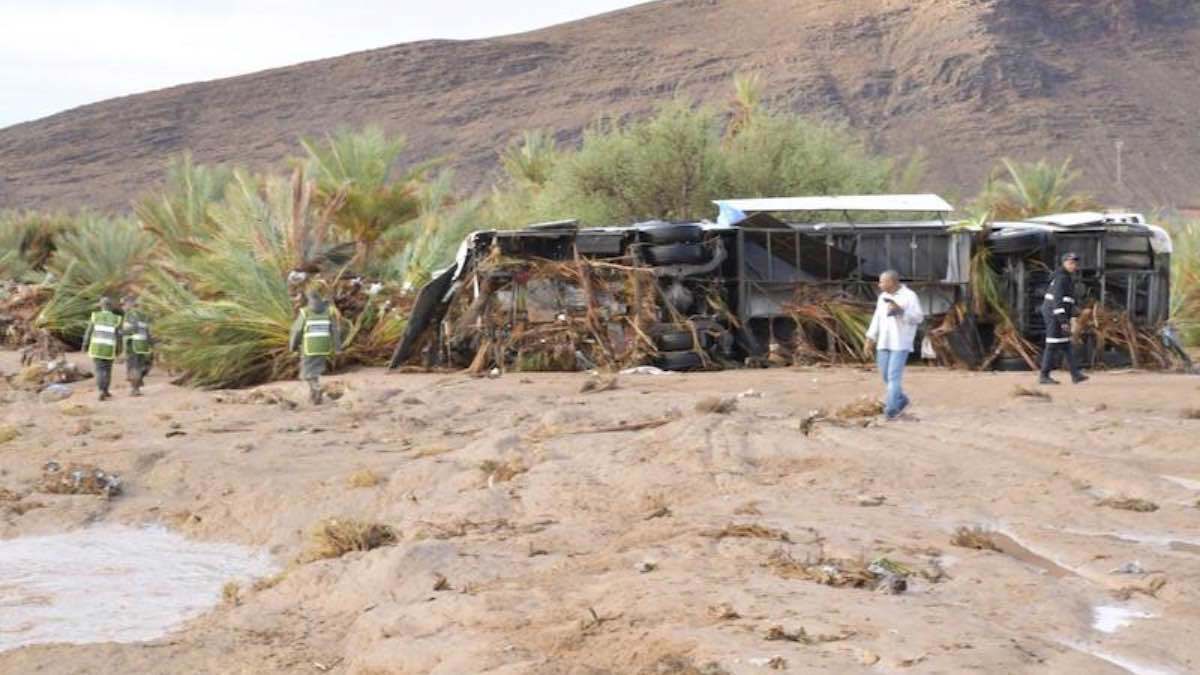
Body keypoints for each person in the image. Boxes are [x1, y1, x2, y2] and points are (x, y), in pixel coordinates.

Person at [865, 270, 925, 420]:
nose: (879, 285)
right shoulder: (883, 297)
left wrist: (901, 311)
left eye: (882, 282)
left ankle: (891, 410)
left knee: (893, 377)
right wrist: (870, 338)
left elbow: (918, 318)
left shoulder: (909, 296)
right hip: (884, 341)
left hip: (900, 342)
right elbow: (877, 319)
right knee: (886, 376)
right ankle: (902, 400)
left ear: (892, 282)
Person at [1039, 252, 1089, 385]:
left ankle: (1075, 374)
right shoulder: (1062, 278)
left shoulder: (1066, 277)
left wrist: (1072, 315)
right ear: (1064, 263)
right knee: (1052, 344)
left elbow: (1067, 301)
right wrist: (1063, 320)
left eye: (1075, 263)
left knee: (1066, 345)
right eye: (1071, 263)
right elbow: (1057, 301)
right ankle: (1044, 376)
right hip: (1054, 315)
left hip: (1058, 314)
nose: (1074, 266)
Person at [289, 290, 340, 405]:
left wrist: (293, 346)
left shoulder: (305, 312)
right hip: (323, 346)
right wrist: (337, 348)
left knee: (306, 373)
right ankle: (315, 399)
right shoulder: (328, 312)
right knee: (315, 371)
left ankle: (317, 388)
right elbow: (335, 331)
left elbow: (297, 331)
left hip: (309, 347)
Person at [81, 296, 121, 401]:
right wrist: (119, 349)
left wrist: (84, 345)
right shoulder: (116, 319)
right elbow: (118, 336)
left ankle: (101, 390)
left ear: (101, 306)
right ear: (111, 307)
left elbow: (88, 332)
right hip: (109, 348)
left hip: (97, 347)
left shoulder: (95, 316)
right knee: (108, 370)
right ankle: (106, 390)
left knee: (99, 370)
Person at [120, 295, 153, 396]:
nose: (122, 307)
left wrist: (121, 332)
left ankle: (135, 389)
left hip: (133, 344)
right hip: (142, 344)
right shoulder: (144, 315)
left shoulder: (130, 314)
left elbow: (131, 328)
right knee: (139, 365)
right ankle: (138, 381)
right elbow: (148, 331)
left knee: (133, 367)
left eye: (123, 304)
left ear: (130, 304)